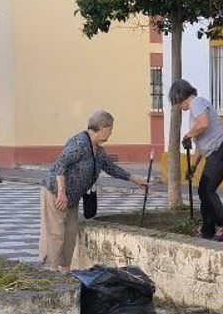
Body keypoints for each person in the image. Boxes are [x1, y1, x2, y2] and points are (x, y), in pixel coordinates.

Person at [40, 110, 150, 270]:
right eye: (110, 129)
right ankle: (50, 272)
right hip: (56, 193)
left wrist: (135, 179)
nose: (111, 133)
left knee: (70, 234)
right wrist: (62, 193)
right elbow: (60, 165)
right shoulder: (80, 144)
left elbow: (110, 167)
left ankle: (65, 270)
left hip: (72, 197)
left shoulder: (97, 150)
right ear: (102, 127)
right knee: (56, 234)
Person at [169, 79, 223, 241]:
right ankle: (207, 230)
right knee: (204, 191)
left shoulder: (196, 102)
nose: (179, 107)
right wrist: (193, 167)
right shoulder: (194, 113)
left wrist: (188, 135)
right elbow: (200, 145)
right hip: (216, 152)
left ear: (180, 96)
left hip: (221, 150)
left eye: (177, 103)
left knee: (207, 190)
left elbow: (204, 124)